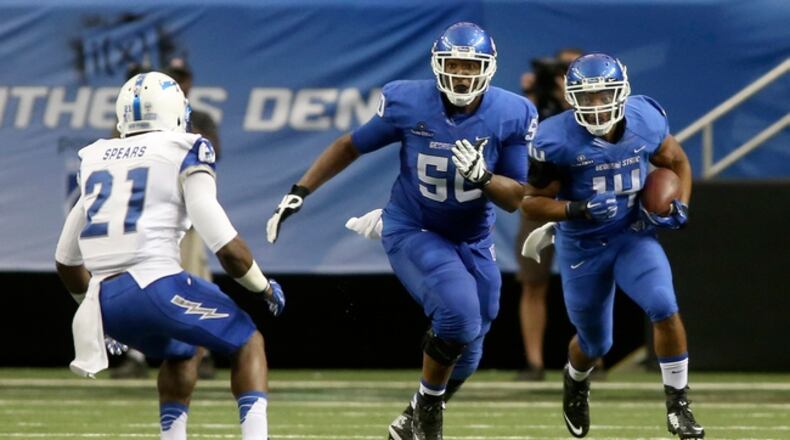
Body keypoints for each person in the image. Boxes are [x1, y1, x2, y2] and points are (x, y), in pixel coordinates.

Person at [266, 22, 537, 440]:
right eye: (454, 65)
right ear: (438, 65)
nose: (462, 74)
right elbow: (349, 145)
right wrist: (300, 191)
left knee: (475, 339)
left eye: (471, 66)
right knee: (459, 316)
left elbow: (515, 196)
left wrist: (484, 177)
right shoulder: (409, 101)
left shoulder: (512, 113)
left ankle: (413, 416)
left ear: (488, 68)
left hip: (473, 236)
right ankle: (427, 414)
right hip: (416, 226)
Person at [55, 71, 285, 440]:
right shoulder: (187, 147)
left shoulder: (96, 156)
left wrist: (92, 307)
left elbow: (65, 259)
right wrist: (262, 286)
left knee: (183, 352)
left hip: (105, 301)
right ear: (176, 109)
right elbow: (223, 242)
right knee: (247, 340)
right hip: (156, 285)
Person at [520, 53, 704, 438]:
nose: (597, 105)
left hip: (631, 234)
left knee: (664, 306)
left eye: (605, 95)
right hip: (582, 246)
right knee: (595, 342)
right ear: (571, 99)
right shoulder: (554, 139)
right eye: (586, 98)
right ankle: (575, 379)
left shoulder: (645, 120)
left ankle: (679, 404)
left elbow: (679, 162)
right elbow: (531, 203)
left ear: (621, 93)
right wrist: (576, 208)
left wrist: (680, 203)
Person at [111, 58, 224, 379]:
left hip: (185, 211)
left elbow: (211, 151)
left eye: (182, 77)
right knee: (137, 279)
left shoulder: (198, 118)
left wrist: (181, 125)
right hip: (145, 215)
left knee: (191, 280)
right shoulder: (137, 120)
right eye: (173, 77)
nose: (180, 82)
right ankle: (134, 355)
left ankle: (201, 353)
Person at [515, 47, 584, 381]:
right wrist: (532, 95)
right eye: (561, 68)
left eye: (572, 68)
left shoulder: (595, 102)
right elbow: (523, 137)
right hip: (543, 198)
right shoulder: (537, 102)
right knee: (533, 282)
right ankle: (534, 362)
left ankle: (590, 358)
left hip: (582, 200)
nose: (565, 74)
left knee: (590, 282)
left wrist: (570, 97)